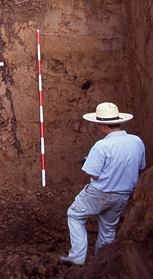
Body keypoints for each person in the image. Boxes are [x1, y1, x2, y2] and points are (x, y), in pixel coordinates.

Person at [60, 102, 146, 266]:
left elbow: (94, 174)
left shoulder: (102, 146)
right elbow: (140, 167)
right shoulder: (137, 142)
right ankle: (102, 262)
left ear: (102, 125)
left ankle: (77, 257)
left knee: (75, 215)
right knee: (108, 229)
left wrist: (89, 161)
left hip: (99, 194)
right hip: (123, 195)